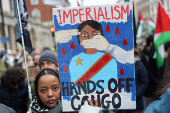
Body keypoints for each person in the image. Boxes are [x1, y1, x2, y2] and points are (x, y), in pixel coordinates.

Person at [30, 68, 100, 113]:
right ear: (37, 92)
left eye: (55, 88)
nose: (50, 94)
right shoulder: (31, 111)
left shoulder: (75, 109)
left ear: (61, 88)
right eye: (43, 90)